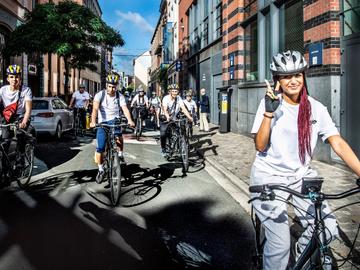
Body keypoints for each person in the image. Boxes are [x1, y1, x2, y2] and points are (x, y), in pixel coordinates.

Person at [249, 50, 360, 270]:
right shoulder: (271, 104)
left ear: (304, 76)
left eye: (297, 75)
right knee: (279, 244)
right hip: (268, 178)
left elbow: (337, 142)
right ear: (278, 80)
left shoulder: (316, 108)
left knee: (327, 229)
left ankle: (302, 260)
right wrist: (269, 114)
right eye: (286, 76)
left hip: (300, 177)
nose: (293, 81)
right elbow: (260, 145)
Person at [90, 73, 135, 183]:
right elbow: (95, 109)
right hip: (102, 122)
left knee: (118, 135)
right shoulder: (100, 95)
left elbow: (125, 109)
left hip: (114, 120)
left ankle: (120, 154)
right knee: (100, 148)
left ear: (117, 86)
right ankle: (100, 170)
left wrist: (129, 120)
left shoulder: (120, 96)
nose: (112, 89)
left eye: (114, 86)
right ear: (106, 85)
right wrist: (92, 121)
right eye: (110, 86)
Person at [0, 64, 33, 164]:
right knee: (4, 142)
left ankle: (20, 158)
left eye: (17, 76)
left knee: (20, 134)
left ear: (20, 78)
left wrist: (24, 122)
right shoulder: (2, 90)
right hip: (7, 118)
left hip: (20, 117)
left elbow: (28, 109)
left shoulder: (26, 90)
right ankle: (5, 170)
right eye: (11, 77)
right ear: (8, 79)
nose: (14, 79)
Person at [160, 84, 193, 157]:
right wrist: (167, 116)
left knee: (179, 131)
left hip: (174, 119)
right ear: (170, 92)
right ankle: (163, 148)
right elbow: (165, 109)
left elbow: (183, 108)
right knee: (163, 134)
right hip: (165, 118)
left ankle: (180, 146)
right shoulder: (166, 98)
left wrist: (189, 117)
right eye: (173, 91)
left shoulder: (178, 98)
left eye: (176, 91)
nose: (175, 93)